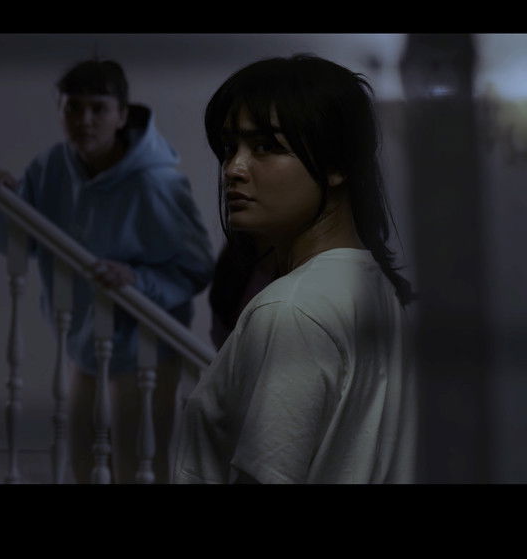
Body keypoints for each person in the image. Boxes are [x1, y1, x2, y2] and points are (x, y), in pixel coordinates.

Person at [173, 54, 417, 484]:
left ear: (337, 164)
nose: (233, 169)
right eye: (229, 148)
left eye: (266, 146)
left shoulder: (292, 311)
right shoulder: (370, 287)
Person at [0, 58, 214, 483]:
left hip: (146, 346)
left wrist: (138, 280)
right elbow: (21, 242)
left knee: (136, 466)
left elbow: (196, 267)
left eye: (98, 108)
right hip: (85, 342)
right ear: (60, 110)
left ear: (122, 115)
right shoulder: (52, 166)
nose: (84, 120)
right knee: (82, 461)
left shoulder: (155, 183)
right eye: (73, 107)